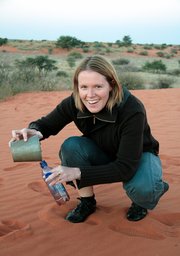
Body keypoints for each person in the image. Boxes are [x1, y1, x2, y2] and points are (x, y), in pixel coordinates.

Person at [9, 55, 169, 223]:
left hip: (137, 156)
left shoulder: (132, 109)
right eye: (83, 87)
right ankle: (87, 202)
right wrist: (34, 131)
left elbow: (125, 167)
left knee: (143, 189)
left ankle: (146, 195)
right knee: (72, 146)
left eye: (98, 86)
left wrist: (76, 172)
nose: (90, 95)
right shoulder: (75, 101)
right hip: (103, 152)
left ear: (112, 85)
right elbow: (47, 124)